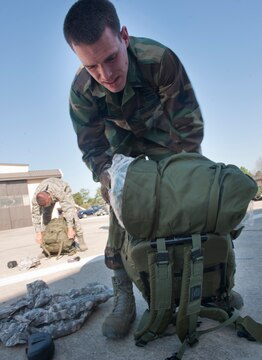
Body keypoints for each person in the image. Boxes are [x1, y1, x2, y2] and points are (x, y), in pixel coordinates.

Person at [63, 0, 242, 339]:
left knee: (196, 198)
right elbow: (93, 149)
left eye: (111, 58)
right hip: (121, 150)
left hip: (168, 137)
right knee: (118, 205)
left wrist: (183, 180)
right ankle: (123, 295)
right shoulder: (82, 91)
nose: (105, 74)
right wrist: (111, 181)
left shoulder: (159, 60)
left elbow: (189, 127)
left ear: (124, 37)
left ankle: (216, 284)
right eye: (92, 67)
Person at [31, 177, 88, 253]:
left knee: (72, 214)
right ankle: (47, 247)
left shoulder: (58, 191)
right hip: (47, 191)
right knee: (46, 217)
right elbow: (35, 215)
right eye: (44, 206)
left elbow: (68, 210)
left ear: (50, 197)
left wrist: (70, 228)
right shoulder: (35, 199)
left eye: (48, 204)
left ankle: (81, 240)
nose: (47, 206)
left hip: (64, 189)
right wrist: (38, 233)